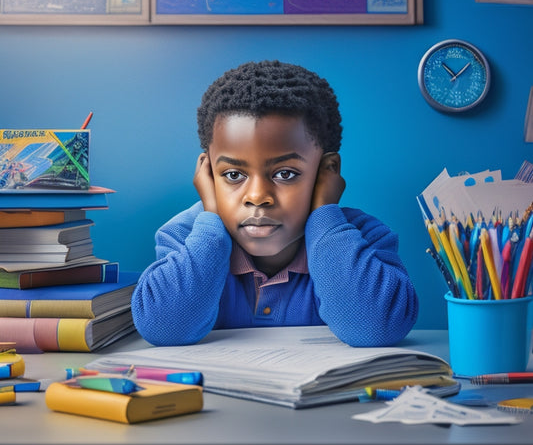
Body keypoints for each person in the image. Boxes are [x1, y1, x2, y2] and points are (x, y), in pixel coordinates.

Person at [132, 60, 418, 347]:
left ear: (325, 171)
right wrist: (210, 223)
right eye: (233, 175)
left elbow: (378, 328)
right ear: (207, 174)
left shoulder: (362, 239)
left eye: (285, 174)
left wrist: (325, 219)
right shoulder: (185, 237)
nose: (257, 196)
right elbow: (162, 327)